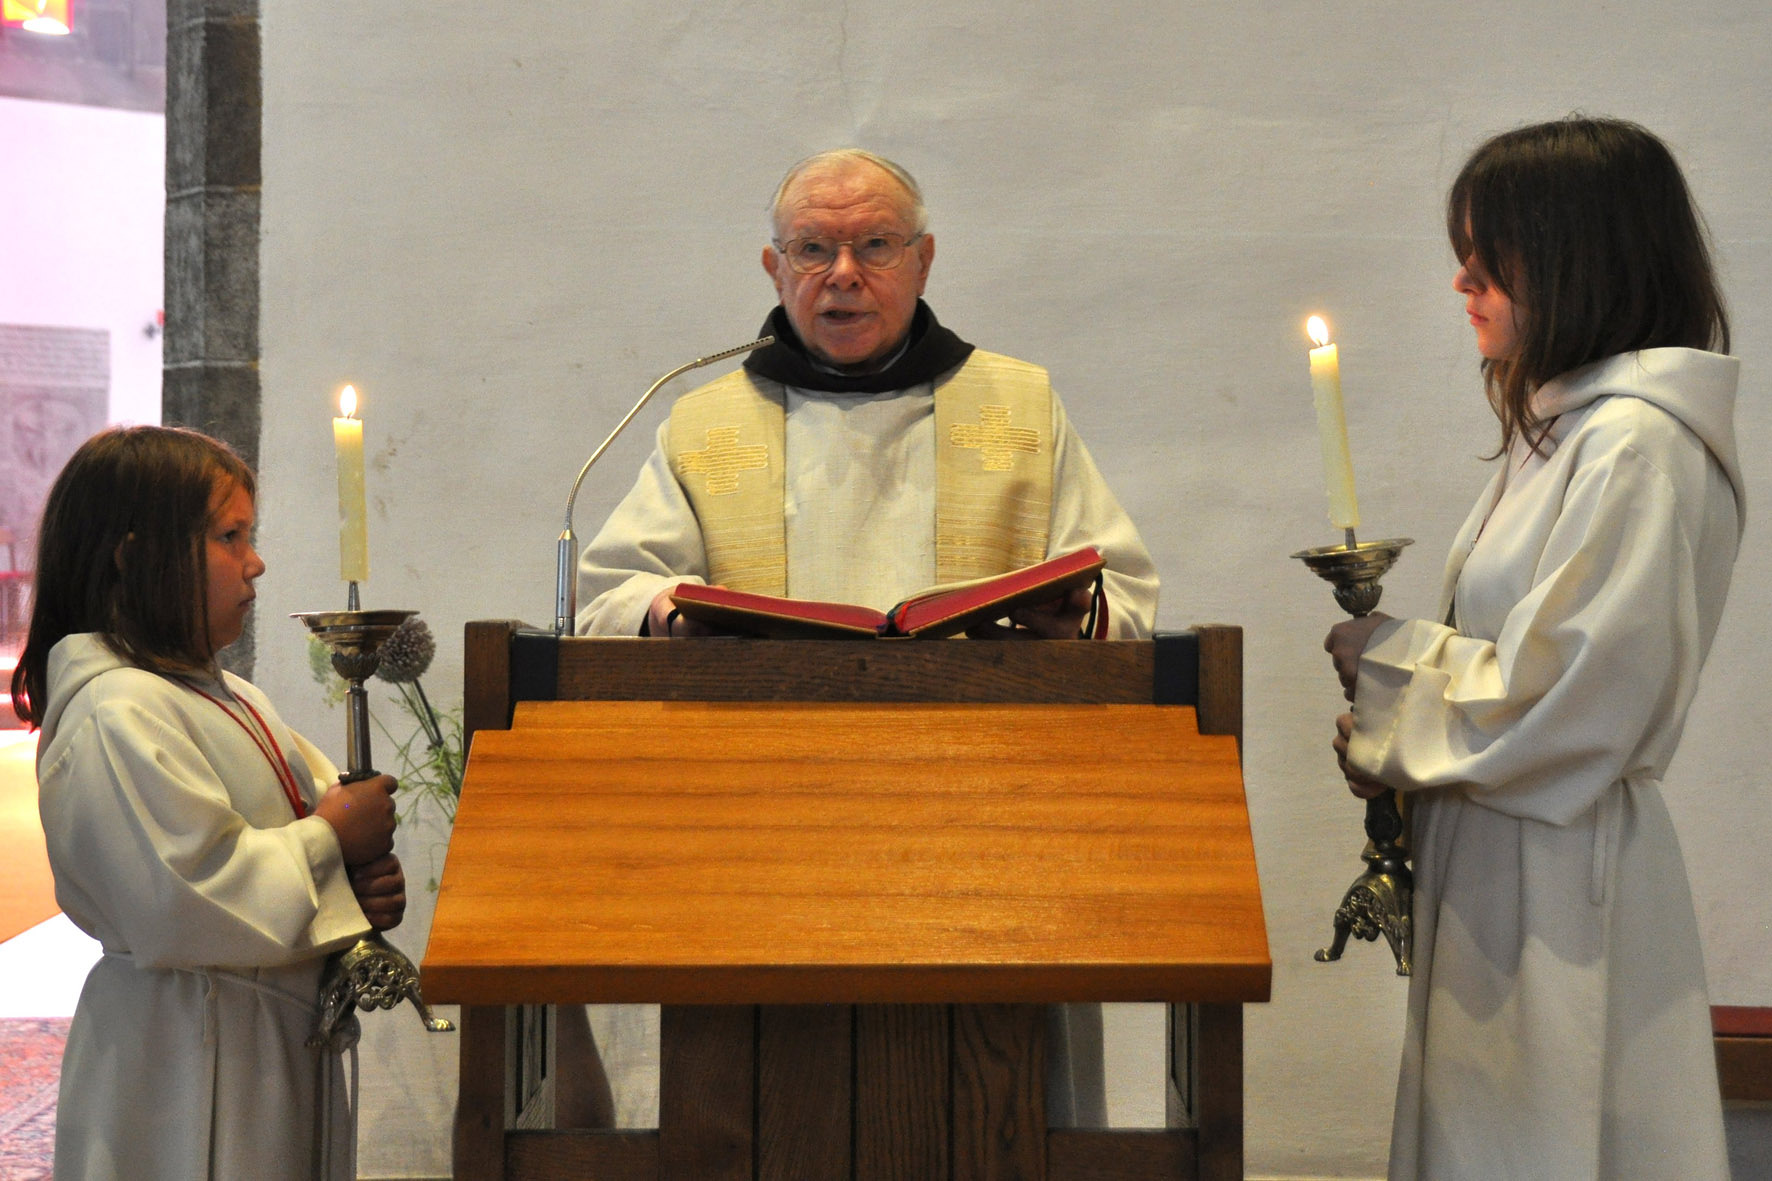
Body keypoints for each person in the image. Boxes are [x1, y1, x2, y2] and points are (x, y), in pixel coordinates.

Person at [1324, 117, 1740, 1179]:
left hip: (1561, 874)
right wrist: (1393, 691)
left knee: (1544, 1143)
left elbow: (1569, 697)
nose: (1460, 280)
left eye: (1488, 255)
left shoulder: (1633, 444)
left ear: (1576, 256)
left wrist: (1387, 671)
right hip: (1501, 857)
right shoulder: (1562, 431)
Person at [10, 426, 407, 1180]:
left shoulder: (229, 697)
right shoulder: (114, 713)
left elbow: (315, 812)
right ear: (134, 555)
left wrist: (356, 888)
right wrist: (331, 842)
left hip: (258, 1042)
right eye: (230, 536)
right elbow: (184, 891)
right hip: (181, 1060)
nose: (255, 563)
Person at [576, 147, 1158, 641]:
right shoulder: (706, 424)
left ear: (923, 262)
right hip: (760, 742)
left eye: (876, 245)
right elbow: (611, 599)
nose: (844, 273)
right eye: (812, 249)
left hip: (980, 738)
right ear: (774, 271)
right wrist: (669, 614)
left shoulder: (1019, 406)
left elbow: (1121, 592)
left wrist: (1067, 614)